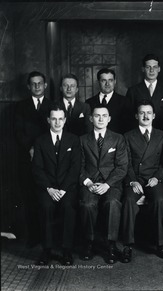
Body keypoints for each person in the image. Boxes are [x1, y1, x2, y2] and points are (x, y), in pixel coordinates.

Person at [79, 105, 128, 264]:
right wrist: (88, 182)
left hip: (111, 184)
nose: (100, 119)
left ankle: (111, 245)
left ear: (109, 119)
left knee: (113, 203)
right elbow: (78, 166)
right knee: (87, 204)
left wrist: (107, 184)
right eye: (97, 116)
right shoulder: (82, 140)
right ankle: (89, 242)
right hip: (90, 183)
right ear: (91, 118)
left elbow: (122, 167)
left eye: (104, 116)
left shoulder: (118, 138)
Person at [32, 105, 81, 265]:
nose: (57, 122)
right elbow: (37, 169)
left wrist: (63, 189)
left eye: (61, 119)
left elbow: (75, 168)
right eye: (54, 119)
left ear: (65, 120)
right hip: (48, 188)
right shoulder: (40, 141)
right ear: (48, 120)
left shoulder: (73, 140)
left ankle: (67, 251)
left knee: (68, 208)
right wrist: (50, 189)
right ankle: (47, 250)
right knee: (46, 207)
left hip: (67, 188)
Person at [122, 100, 163, 262]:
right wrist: (132, 181)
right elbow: (125, 163)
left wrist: (157, 177)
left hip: (154, 178)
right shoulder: (127, 136)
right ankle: (127, 244)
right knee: (128, 200)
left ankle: (160, 243)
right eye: (142, 113)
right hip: (135, 178)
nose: (145, 116)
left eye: (149, 113)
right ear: (136, 116)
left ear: (154, 115)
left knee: (160, 201)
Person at [15, 71, 53, 246]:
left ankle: (50, 238)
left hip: (47, 160)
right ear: (29, 86)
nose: (37, 86)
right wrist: (30, 149)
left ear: (45, 85)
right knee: (29, 198)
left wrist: (39, 150)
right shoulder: (20, 107)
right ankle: (33, 237)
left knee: (46, 198)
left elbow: (54, 131)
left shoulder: (53, 105)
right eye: (33, 84)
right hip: (26, 159)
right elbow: (18, 133)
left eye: (40, 83)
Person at [126, 54, 163, 133]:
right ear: (143, 69)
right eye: (148, 67)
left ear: (159, 69)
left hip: (162, 134)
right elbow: (129, 117)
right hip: (140, 134)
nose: (151, 70)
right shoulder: (133, 91)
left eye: (154, 67)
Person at [86, 68, 133, 134]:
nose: (107, 84)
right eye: (103, 80)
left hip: (118, 142)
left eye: (110, 80)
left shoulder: (125, 102)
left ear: (115, 82)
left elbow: (129, 127)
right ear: (98, 82)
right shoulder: (89, 103)